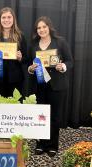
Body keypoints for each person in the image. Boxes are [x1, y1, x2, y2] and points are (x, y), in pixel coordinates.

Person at [28, 16, 73, 157]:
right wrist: (31, 69)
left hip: (57, 86)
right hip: (40, 86)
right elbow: (29, 66)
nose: (42, 30)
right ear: (37, 30)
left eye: (44, 27)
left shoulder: (60, 42)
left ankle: (52, 145)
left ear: (49, 27)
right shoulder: (33, 45)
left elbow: (70, 61)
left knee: (55, 117)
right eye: (39, 28)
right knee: (40, 116)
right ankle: (41, 144)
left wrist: (63, 66)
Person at [0, 7, 27, 98]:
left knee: (14, 108)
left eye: (9, 17)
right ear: (0, 20)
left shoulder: (20, 36)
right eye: (3, 17)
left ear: (13, 19)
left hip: (15, 79)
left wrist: (20, 58)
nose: (6, 20)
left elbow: (26, 58)